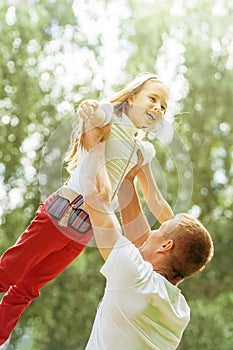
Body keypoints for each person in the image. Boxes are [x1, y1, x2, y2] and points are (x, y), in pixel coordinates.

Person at [0, 73, 173, 345]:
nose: (158, 108)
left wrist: (183, 227)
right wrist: (88, 106)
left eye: (164, 106)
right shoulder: (109, 116)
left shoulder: (142, 152)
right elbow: (92, 109)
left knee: (27, 289)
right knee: (7, 273)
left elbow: (156, 200)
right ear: (131, 97)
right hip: (61, 213)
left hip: (83, 232)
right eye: (153, 99)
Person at [83, 143, 214, 350]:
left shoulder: (133, 276)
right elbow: (143, 249)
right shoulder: (179, 312)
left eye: (160, 229)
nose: (151, 232)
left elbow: (93, 196)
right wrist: (127, 179)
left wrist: (96, 142)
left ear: (166, 245)